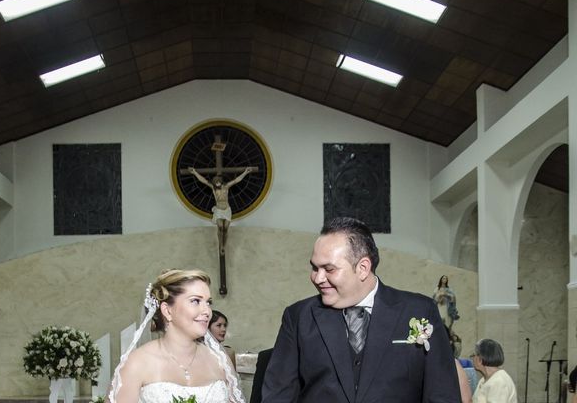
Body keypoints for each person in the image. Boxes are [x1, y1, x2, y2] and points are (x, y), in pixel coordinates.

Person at [262, 216, 461, 402]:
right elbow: (278, 395)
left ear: (363, 268)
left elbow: (443, 394)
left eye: (329, 269)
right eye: (315, 268)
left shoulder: (420, 311)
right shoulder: (298, 317)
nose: (317, 278)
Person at [108, 269, 245, 403]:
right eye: (196, 301)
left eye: (208, 302)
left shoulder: (220, 361)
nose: (207, 311)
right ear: (167, 311)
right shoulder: (137, 363)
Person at [188, 167, 252, 252]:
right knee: (220, 227)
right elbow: (203, 181)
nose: (217, 183)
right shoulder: (213, 188)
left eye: (218, 182)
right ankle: (220, 245)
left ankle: (224, 245)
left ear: (220, 181)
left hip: (227, 210)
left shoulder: (226, 187)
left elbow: (236, 180)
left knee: (225, 228)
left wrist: (245, 172)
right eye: (215, 182)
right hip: (218, 210)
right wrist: (195, 172)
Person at [471, 338, 517, 403]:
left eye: (473, 355)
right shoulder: (484, 380)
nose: (472, 359)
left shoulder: (499, 382)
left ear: (480, 359)